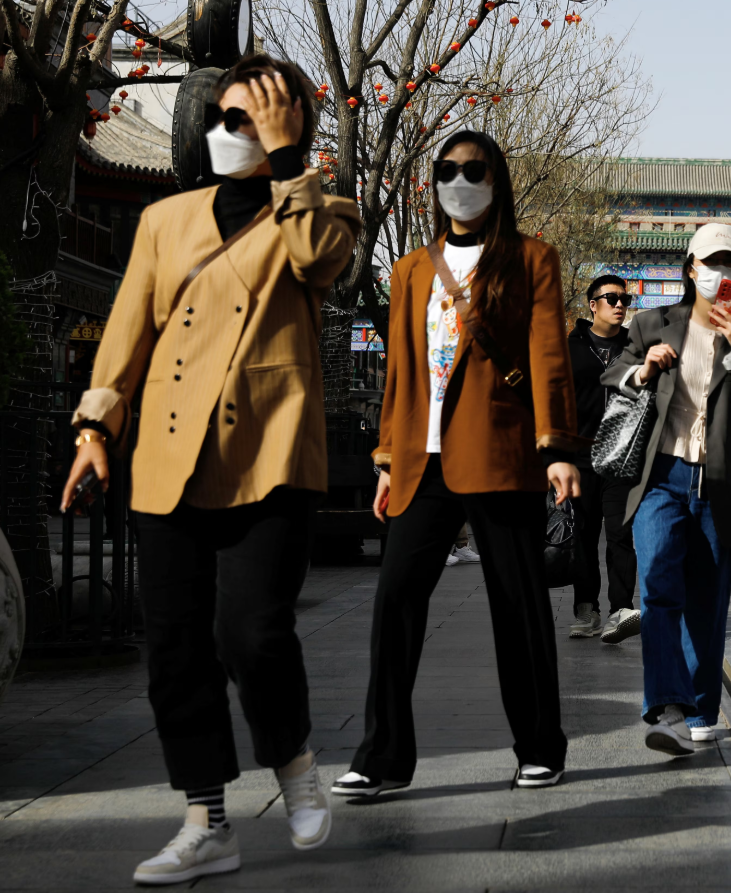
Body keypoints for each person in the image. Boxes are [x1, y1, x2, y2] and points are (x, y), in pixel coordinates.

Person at [60, 54, 359, 884]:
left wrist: (291, 161)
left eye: (255, 119)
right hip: (167, 452)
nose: (236, 132)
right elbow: (128, 328)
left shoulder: (322, 211)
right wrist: (95, 427)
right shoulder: (165, 219)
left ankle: (293, 761)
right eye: (227, 118)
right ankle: (206, 821)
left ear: (289, 128)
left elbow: (318, 261)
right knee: (176, 647)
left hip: (269, 453)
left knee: (252, 631)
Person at [333, 130, 584, 798]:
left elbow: (548, 357)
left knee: (518, 604)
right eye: (447, 170)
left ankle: (540, 747)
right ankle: (382, 756)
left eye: (474, 170)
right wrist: (387, 457)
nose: (459, 181)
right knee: (395, 600)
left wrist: (558, 449)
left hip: (500, 456)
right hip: (423, 462)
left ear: (496, 181)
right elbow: (400, 372)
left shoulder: (531, 259)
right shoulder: (412, 269)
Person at [603, 223, 731, 754]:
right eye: (711, 263)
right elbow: (614, 375)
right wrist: (644, 369)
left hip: (718, 482)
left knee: (707, 602)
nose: (720, 273)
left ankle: (700, 709)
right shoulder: (653, 323)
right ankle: (667, 707)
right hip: (661, 477)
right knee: (658, 584)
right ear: (690, 269)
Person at [566, 274, 640, 643]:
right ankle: (586, 609)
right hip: (580, 456)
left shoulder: (635, 347)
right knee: (583, 535)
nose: (620, 304)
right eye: (611, 298)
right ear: (593, 305)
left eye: (625, 299)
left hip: (622, 457)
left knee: (620, 535)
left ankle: (620, 610)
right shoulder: (570, 348)